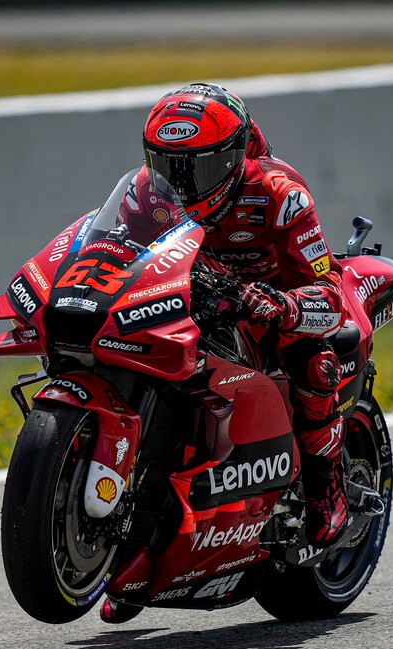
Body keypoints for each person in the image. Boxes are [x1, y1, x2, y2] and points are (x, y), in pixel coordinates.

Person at [141, 82, 350, 548]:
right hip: (192, 303)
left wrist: (286, 305)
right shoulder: (146, 193)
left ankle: (326, 490)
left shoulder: (279, 192)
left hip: (272, 309)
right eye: (168, 168)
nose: (181, 185)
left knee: (314, 364)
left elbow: (329, 291)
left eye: (200, 169)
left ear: (235, 157)